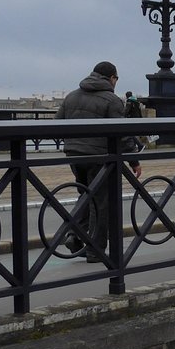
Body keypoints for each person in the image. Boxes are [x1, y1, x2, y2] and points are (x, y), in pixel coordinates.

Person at [56, 61, 143, 262]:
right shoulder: (111, 100)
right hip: (99, 156)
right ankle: (94, 249)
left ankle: (74, 235)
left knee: (86, 195)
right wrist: (134, 160)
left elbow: (58, 123)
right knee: (100, 202)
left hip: (74, 154)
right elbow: (122, 135)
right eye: (116, 79)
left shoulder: (71, 96)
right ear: (112, 78)